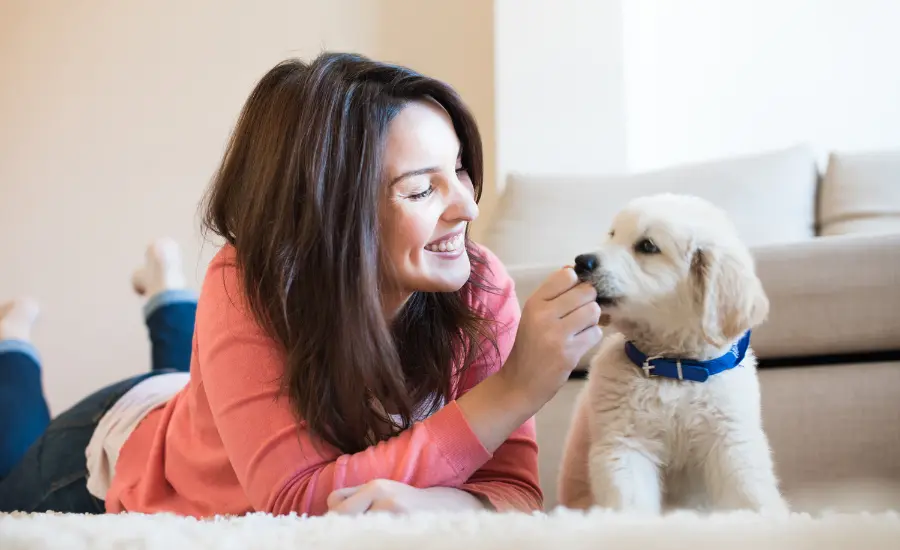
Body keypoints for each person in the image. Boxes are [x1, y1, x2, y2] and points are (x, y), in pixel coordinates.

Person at [0, 52, 602, 516]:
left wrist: (425, 502)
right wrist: (515, 389)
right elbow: (291, 501)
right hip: (114, 451)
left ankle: (166, 295)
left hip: (206, 406)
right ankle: (16, 342)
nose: (467, 207)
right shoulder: (251, 279)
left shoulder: (478, 285)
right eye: (422, 190)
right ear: (329, 213)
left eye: (462, 172)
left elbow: (513, 492)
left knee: (198, 378)